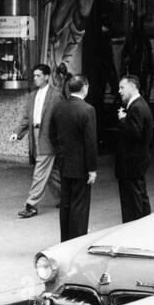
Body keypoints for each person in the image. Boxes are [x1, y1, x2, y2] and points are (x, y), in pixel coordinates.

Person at [53, 74, 97, 242]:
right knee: (80, 206)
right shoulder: (87, 109)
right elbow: (90, 141)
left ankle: (65, 240)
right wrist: (92, 169)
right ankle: (77, 240)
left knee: (66, 204)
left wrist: (61, 153)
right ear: (85, 87)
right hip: (81, 166)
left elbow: (52, 134)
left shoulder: (59, 107)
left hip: (64, 164)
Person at [15, 63, 61, 219]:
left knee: (40, 170)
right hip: (35, 133)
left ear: (47, 77)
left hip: (48, 136)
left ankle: (31, 205)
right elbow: (27, 117)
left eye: (38, 75)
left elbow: (60, 118)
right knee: (51, 172)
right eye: (34, 76)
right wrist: (18, 133)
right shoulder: (33, 95)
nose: (35, 78)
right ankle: (65, 197)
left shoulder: (56, 95)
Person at [115, 74, 153, 223]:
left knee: (132, 201)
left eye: (122, 87)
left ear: (132, 87)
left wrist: (123, 120)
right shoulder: (139, 104)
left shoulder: (136, 107)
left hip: (131, 162)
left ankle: (134, 227)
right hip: (137, 161)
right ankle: (144, 225)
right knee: (140, 197)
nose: (119, 91)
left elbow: (133, 134)